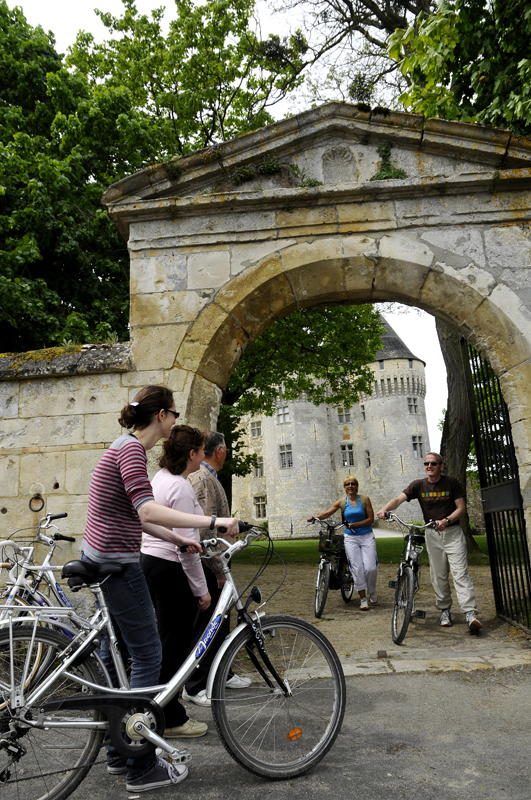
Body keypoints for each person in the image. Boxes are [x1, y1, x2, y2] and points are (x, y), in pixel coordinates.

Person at [80, 385, 238, 793]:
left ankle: (119, 751)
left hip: (105, 558)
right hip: (118, 564)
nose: (175, 420)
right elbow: (147, 509)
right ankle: (142, 766)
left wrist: (176, 538)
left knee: (118, 659)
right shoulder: (133, 450)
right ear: (162, 416)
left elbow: (140, 517)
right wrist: (213, 523)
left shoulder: (124, 446)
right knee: (149, 655)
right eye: (174, 413)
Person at [140, 425, 212, 734]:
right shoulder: (181, 487)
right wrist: (201, 590)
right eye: (202, 451)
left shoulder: (160, 478)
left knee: (165, 641)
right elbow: (186, 548)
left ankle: (159, 708)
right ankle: (168, 717)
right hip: (170, 569)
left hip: (151, 563)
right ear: (192, 454)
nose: (204, 456)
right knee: (175, 646)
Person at [376, 452, 482, 634]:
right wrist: (384, 509)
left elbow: (461, 508)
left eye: (433, 463)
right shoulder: (418, 485)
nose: (429, 466)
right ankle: (445, 610)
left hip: (453, 533)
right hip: (432, 534)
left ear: (441, 466)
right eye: (426, 464)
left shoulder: (451, 483)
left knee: (460, 574)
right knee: (438, 575)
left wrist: (446, 520)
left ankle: (470, 614)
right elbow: (398, 499)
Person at [186, 431, 251, 705]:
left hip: (213, 563)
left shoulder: (207, 477)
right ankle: (195, 684)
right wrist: (217, 569)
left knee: (221, 620)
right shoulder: (203, 479)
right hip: (208, 564)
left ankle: (222, 673)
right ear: (220, 451)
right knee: (207, 624)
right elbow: (205, 531)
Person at [307, 476, 378, 611]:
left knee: (370, 568)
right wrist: (315, 518)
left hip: (366, 536)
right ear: (344, 487)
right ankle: (363, 599)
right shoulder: (342, 502)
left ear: (357, 486)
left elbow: (370, 519)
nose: (350, 486)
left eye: (353, 484)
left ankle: (372, 591)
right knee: (356, 568)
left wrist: (355, 524)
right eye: (347, 484)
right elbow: (327, 513)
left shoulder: (365, 500)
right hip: (351, 538)